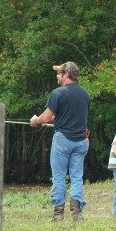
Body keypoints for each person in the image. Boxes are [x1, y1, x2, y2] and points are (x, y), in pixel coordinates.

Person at [30, 61, 90, 222]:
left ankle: (58, 215)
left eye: (59, 73)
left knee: (59, 176)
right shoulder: (85, 94)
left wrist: (35, 120)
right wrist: (54, 120)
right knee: (77, 177)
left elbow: (46, 117)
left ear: (66, 75)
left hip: (63, 140)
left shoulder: (58, 93)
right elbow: (70, 116)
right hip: (81, 141)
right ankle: (77, 213)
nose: (57, 75)